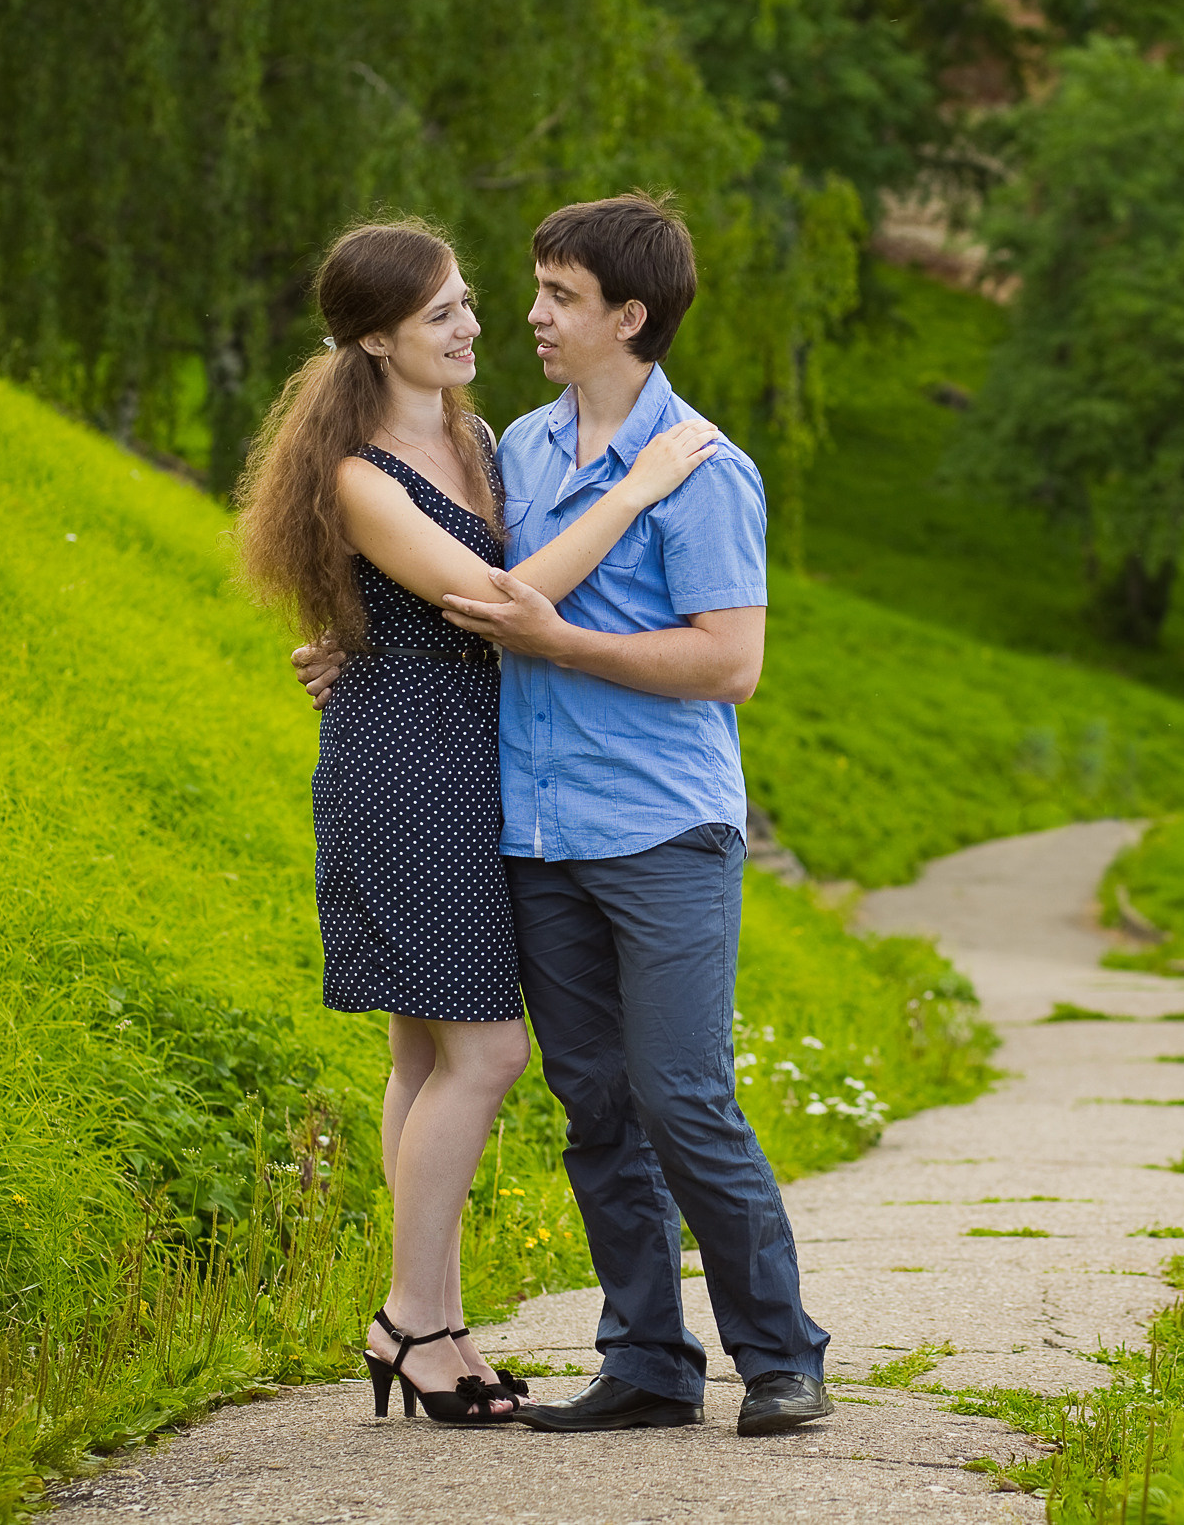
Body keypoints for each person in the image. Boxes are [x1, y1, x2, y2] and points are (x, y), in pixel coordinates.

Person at [296, 192, 833, 1438]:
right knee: (594, 1106)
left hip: (659, 826)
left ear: (627, 317)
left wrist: (563, 642)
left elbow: (731, 664)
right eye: (524, 291)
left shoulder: (700, 466)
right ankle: (646, 1361)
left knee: (682, 1096)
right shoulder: (515, 451)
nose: (523, 316)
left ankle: (779, 1356)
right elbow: (457, 590)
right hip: (531, 829)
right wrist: (358, 650)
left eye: (555, 297)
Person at [238, 217, 718, 1426]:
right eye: (443, 312)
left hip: (475, 758)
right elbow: (496, 602)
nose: (474, 325)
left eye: (467, 301)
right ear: (375, 340)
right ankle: (411, 1320)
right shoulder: (358, 474)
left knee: (424, 1055)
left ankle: (434, 1326)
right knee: (489, 1053)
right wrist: (640, 485)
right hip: (405, 770)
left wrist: (346, 644)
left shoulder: (476, 439)